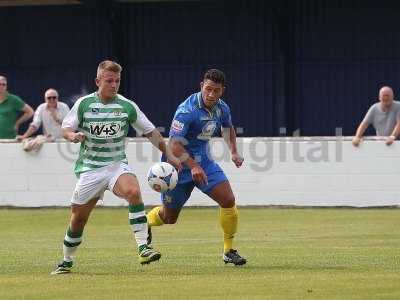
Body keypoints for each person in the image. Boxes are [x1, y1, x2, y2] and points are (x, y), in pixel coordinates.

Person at [51, 60, 181, 275]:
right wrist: (74, 136)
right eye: (109, 81)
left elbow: (150, 131)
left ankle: (143, 247)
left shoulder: (126, 106)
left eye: (117, 81)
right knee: (78, 219)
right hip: (90, 169)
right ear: (98, 81)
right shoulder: (84, 104)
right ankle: (66, 260)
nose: (114, 85)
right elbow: (66, 128)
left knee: (133, 191)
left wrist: (168, 153)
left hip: (115, 166)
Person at [147, 69, 247, 265]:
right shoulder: (186, 110)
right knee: (169, 218)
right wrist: (192, 166)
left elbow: (227, 128)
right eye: (208, 89)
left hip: (204, 163)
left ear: (222, 91)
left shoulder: (222, 108)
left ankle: (229, 251)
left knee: (228, 200)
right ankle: (146, 221)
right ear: (201, 85)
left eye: (216, 91)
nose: (211, 94)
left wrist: (234, 151)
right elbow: (174, 145)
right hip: (178, 165)